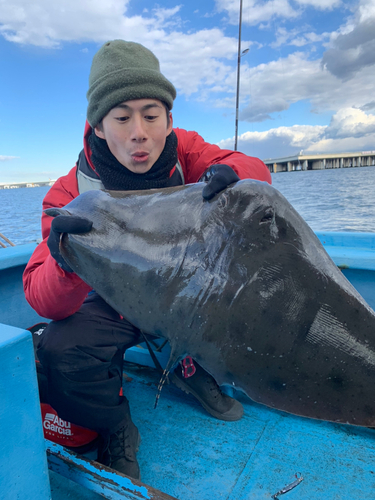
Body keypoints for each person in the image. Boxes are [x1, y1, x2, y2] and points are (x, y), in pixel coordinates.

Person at [23, 40, 272, 479]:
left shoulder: (186, 152)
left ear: (169, 120)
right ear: (99, 127)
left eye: (151, 116)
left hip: (181, 288)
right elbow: (45, 301)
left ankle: (188, 365)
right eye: (122, 118)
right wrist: (65, 262)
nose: (139, 131)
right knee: (62, 349)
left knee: (252, 285)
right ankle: (115, 423)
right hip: (112, 299)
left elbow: (252, 169)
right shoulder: (67, 194)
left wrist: (236, 179)